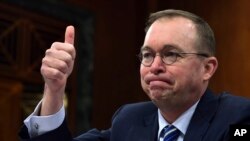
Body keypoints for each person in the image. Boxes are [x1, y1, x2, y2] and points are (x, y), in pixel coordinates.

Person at [19, 9, 250, 141]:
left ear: (207, 68)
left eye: (171, 54)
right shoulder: (129, 120)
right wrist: (55, 88)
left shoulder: (239, 119)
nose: (155, 66)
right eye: (147, 55)